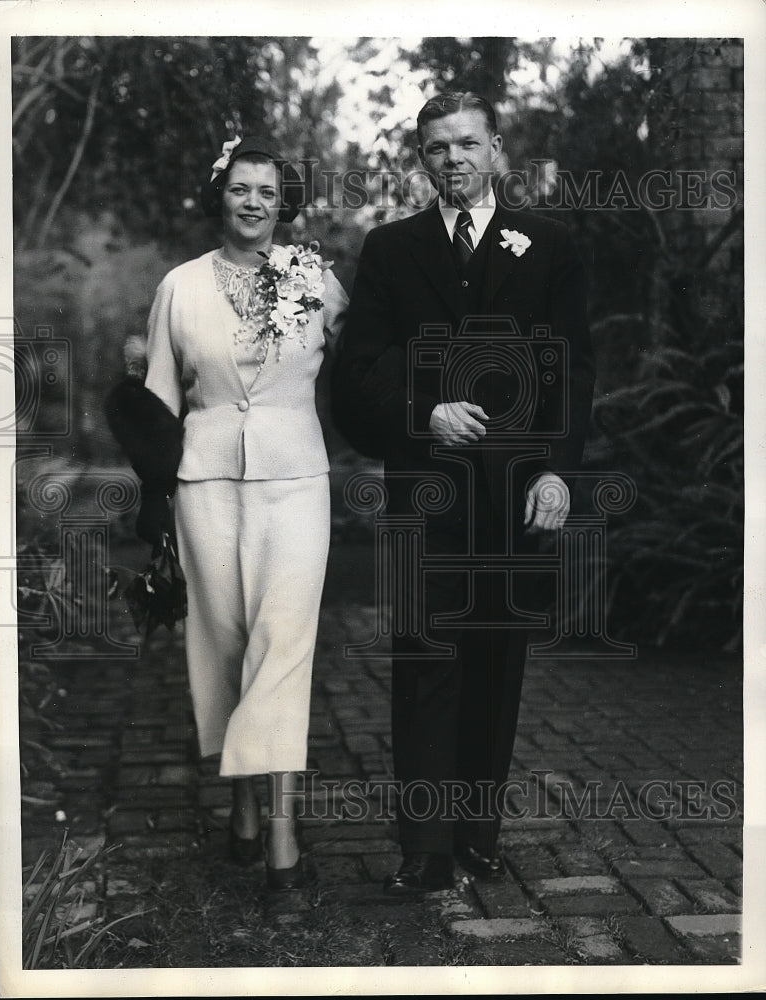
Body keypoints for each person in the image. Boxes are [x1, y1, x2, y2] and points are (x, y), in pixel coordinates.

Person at [331, 92, 595, 894]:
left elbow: (573, 369)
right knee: (425, 663)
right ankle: (426, 848)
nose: (453, 159)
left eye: (466, 144)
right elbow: (356, 376)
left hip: (516, 495)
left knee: (496, 662)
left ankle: (478, 835)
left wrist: (557, 469)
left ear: (496, 151)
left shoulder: (548, 245)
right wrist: (423, 417)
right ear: (422, 159)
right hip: (427, 497)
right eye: (437, 148)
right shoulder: (391, 249)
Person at [107, 136, 349, 890]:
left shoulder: (317, 281)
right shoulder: (179, 286)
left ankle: (279, 829)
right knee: (224, 643)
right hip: (205, 483)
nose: (252, 203)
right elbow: (158, 397)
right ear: (221, 196)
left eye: (267, 192)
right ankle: (244, 805)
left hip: (297, 480)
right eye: (240, 188)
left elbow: (364, 367)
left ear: (285, 204)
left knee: (282, 641)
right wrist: (155, 496)